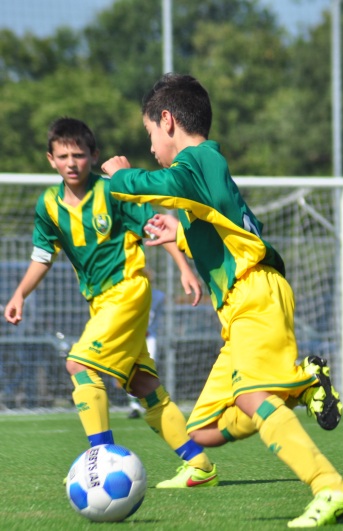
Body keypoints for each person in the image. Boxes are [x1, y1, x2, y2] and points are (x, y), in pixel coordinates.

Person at [101, 73, 343, 527]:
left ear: (167, 121)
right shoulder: (207, 168)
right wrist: (180, 233)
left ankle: (331, 486)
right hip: (243, 302)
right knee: (202, 430)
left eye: (149, 135)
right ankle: (300, 386)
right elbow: (229, 230)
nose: (150, 147)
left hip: (255, 294)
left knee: (254, 396)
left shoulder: (198, 160)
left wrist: (119, 173)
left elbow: (143, 185)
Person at [3, 117, 217, 488]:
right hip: (101, 302)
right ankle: (199, 464)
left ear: (94, 156)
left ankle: (99, 461)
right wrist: (20, 293)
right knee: (142, 385)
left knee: (78, 366)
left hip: (129, 289)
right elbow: (42, 256)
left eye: (79, 155)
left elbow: (155, 226)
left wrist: (184, 268)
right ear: (50, 159)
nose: (72, 162)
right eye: (63, 156)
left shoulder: (113, 192)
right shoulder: (48, 205)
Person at [128, 273, 165, 419]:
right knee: (130, 369)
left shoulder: (158, 296)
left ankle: (150, 402)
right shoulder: (132, 294)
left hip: (149, 337)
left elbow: (154, 318)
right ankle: (134, 406)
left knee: (149, 368)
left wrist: (148, 329)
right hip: (134, 336)